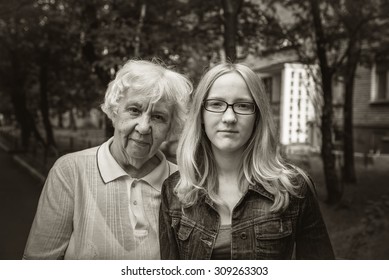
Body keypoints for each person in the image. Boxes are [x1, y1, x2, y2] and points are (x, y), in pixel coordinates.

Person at [159, 62, 335, 260]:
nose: (229, 117)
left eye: (243, 105)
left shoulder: (292, 188)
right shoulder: (175, 191)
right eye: (216, 104)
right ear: (201, 115)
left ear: (257, 117)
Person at [23, 59, 192, 259]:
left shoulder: (185, 185)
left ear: (170, 128)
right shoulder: (71, 171)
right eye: (134, 110)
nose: (144, 127)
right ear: (114, 110)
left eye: (158, 117)